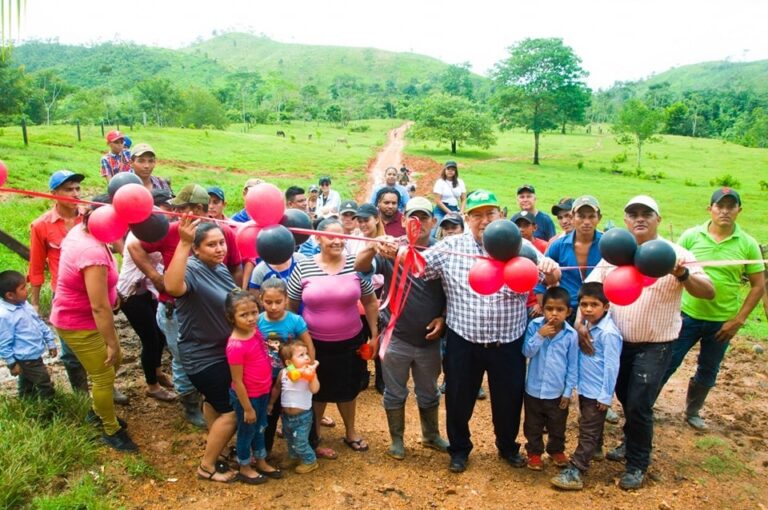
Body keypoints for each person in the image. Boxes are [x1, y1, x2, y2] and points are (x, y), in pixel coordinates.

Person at [421, 189, 560, 473]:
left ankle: (507, 446)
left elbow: (553, 277)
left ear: (501, 215)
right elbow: (417, 266)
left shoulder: (522, 247)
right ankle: (459, 450)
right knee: (459, 399)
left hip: (508, 342)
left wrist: (549, 267)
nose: (484, 220)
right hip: (464, 341)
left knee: (509, 402)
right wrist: (394, 247)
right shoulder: (450, 248)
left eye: (490, 213)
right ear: (466, 217)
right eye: (477, 215)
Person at [583, 195, 714, 490]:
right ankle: (630, 443)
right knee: (627, 399)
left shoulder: (676, 254)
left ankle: (637, 463)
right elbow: (591, 288)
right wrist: (582, 322)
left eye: (646, 213)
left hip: (657, 344)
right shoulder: (616, 255)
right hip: (618, 344)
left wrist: (682, 273)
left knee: (640, 403)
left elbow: (707, 291)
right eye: (633, 214)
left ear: (658, 219)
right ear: (626, 220)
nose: (639, 218)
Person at [128, 184, 243, 428]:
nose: (177, 213)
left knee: (217, 356)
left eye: (183, 208)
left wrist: (235, 301)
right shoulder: (172, 231)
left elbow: (235, 267)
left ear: (198, 209)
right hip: (174, 308)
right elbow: (134, 246)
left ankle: (211, 401)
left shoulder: (223, 234)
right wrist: (156, 277)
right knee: (183, 358)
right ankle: (192, 406)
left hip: (211, 309)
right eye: (176, 208)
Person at [659, 188, 765, 430]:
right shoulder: (691, 237)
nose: (725, 211)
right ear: (711, 209)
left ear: (739, 210)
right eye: (720, 206)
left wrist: (738, 321)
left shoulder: (748, 244)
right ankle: (646, 405)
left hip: (722, 321)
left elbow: (758, 286)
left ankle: (693, 410)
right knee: (668, 361)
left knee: (709, 368)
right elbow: (672, 271)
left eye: (731, 206)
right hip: (687, 315)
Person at [355, 197, 449, 460]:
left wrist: (443, 317)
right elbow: (359, 267)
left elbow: (453, 293)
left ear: (433, 221)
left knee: (429, 391)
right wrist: (375, 246)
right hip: (396, 337)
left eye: (424, 217)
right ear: (405, 220)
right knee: (394, 391)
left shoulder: (443, 252)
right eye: (412, 217)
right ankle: (397, 440)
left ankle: (430, 435)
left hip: (429, 340)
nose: (418, 223)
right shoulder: (390, 248)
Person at [50, 195, 137, 452]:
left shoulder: (83, 230)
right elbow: (98, 306)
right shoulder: (92, 252)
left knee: (113, 363)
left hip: (84, 318)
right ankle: (110, 429)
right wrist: (111, 342)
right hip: (79, 322)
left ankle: (98, 411)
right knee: (103, 374)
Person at [287, 218, 379, 453]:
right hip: (314, 343)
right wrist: (292, 342)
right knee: (317, 390)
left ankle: (350, 432)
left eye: (342, 236)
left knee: (348, 389)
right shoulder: (304, 266)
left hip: (350, 342)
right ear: (317, 238)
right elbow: (291, 306)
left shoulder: (356, 267)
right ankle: (315, 433)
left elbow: (369, 302)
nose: (338, 241)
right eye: (331, 236)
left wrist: (375, 335)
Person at [163, 219, 239, 483]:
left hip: (222, 351)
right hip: (202, 355)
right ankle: (207, 467)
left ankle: (217, 447)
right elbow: (172, 287)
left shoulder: (219, 269)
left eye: (222, 243)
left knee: (212, 402)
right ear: (195, 249)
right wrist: (183, 243)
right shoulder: (191, 270)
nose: (220, 249)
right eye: (211, 245)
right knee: (232, 411)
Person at [551, 282, 622, 491]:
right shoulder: (589, 325)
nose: (588, 309)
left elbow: (612, 366)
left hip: (596, 391)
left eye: (594, 304)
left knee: (588, 429)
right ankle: (596, 450)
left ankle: (576, 469)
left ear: (606, 306)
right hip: (586, 387)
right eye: (584, 304)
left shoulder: (609, 333)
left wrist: (605, 395)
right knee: (589, 423)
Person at [28, 169, 89, 394]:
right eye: (68, 189)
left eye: (77, 188)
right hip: (64, 295)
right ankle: (82, 395)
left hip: (94, 291)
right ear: (54, 194)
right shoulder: (41, 225)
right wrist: (34, 302)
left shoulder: (89, 217)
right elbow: (35, 266)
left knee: (102, 342)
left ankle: (107, 388)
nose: (75, 193)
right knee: (71, 351)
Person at [118, 189, 176, 402]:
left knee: (159, 334)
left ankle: (158, 372)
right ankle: (152, 385)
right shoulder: (140, 233)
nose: (171, 213)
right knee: (150, 339)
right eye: (168, 208)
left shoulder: (158, 230)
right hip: (131, 294)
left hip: (147, 292)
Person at [225, 290, 281, 484]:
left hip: (263, 391)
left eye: (254, 312)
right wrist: (247, 407)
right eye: (244, 315)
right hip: (248, 397)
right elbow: (237, 381)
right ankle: (244, 466)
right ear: (231, 317)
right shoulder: (235, 346)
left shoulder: (254, 330)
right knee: (246, 432)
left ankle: (261, 460)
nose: (251, 318)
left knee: (260, 428)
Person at [256, 278, 315, 454]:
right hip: (267, 376)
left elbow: (309, 345)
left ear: (286, 300)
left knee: (300, 410)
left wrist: (308, 368)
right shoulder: (258, 321)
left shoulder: (295, 320)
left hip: (293, 375)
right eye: (268, 302)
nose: (274, 307)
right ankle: (264, 451)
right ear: (261, 300)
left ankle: (310, 445)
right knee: (270, 412)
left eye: (278, 302)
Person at [522, 286, 578, 471]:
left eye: (560, 309)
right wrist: (540, 335)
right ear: (542, 308)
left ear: (568, 312)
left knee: (557, 424)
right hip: (534, 389)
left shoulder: (571, 335)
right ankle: (534, 452)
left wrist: (567, 392)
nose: (554, 313)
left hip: (557, 391)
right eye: (549, 309)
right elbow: (527, 351)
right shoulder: (535, 326)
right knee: (533, 424)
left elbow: (572, 365)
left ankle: (556, 450)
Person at [537, 195, 603, 324]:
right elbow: (539, 279)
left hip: (598, 312)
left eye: (591, 216)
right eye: (581, 216)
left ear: (599, 218)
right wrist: (546, 309)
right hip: (567, 312)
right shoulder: (558, 245)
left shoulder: (607, 245)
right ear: (573, 217)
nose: (586, 222)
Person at [0, 270, 57, 399]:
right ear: (10, 295)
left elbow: (39, 323)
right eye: (23, 288)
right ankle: (49, 409)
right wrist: (12, 364)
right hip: (26, 358)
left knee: (27, 382)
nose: (28, 289)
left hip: (33, 353)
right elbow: (3, 342)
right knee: (44, 383)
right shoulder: (4, 315)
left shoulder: (25, 304)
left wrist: (50, 342)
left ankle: (26, 401)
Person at [270, 340, 321, 474]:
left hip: (303, 417)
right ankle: (293, 456)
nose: (306, 357)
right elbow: (276, 388)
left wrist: (312, 376)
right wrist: (270, 403)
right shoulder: (284, 373)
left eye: (306, 354)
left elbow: (315, 390)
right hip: (286, 416)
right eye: (301, 355)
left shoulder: (307, 374)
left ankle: (310, 461)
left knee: (300, 441)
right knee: (290, 438)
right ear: (288, 363)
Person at [432, 160, 466, 227]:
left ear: (455, 171)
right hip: (441, 210)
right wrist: (449, 212)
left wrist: (461, 212)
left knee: (464, 227)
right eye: (448, 169)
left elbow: (464, 198)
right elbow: (437, 200)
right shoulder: (440, 182)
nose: (450, 171)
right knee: (435, 229)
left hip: (455, 209)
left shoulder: (460, 182)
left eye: (452, 169)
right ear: (445, 170)